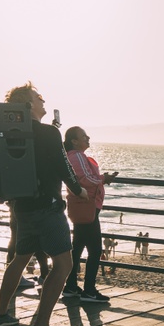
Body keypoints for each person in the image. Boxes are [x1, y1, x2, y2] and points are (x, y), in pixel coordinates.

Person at [0, 83, 88, 326]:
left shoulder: (11, 134)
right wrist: (80, 190)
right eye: (38, 98)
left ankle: (0, 316)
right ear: (28, 105)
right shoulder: (48, 132)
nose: (43, 101)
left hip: (23, 209)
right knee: (64, 265)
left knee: (19, 260)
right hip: (47, 207)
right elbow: (63, 166)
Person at [61, 125, 118, 304]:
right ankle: (89, 291)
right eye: (84, 136)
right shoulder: (76, 156)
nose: (88, 138)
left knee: (77, 247)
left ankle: (70, 286)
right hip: (87, 207)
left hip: (80, 206)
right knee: (95, 250)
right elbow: (84, 179)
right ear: (74, 141)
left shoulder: (72, 156)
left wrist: (101, 179)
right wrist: (104, 179)